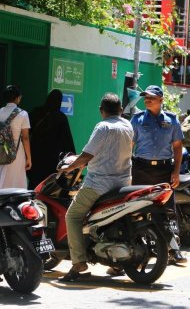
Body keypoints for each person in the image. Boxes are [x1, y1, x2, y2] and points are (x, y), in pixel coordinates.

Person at [58, 93, 134, 281]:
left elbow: (87, 155)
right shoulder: (128, 125)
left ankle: (79, 262)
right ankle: (116, 264)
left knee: (73, 216)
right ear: (121, 110)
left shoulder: (103, 127)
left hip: (99, 185)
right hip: (123, 183)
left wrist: (70, 167)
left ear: (101, 110)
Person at [126, 85, 187, 272]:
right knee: (134, 210)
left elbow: (177, 147)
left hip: (163, 171)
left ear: (161, 100)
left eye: (151, 97)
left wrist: (176, 171)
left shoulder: (172, 120)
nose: (147, 100)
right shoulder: (136, 120)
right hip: (141, 169)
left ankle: (173, 249)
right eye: (145, 97)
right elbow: (129, 147)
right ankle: (128, 254)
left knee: (167, 211)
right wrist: (127, 171)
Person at [27, 89, 76, 189]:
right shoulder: (60, 117)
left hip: (35, 156)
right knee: (49, 186)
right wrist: (73, 158)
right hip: (51, 160)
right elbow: (67, 140)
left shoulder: (35, 113)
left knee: (34, 184)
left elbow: (27, 133)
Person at [0, 85, 32, 190]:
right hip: (15, 153)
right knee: (15, 183)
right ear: (18, 98)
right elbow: (25, 138)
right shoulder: (23, 114)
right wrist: (29, 158)